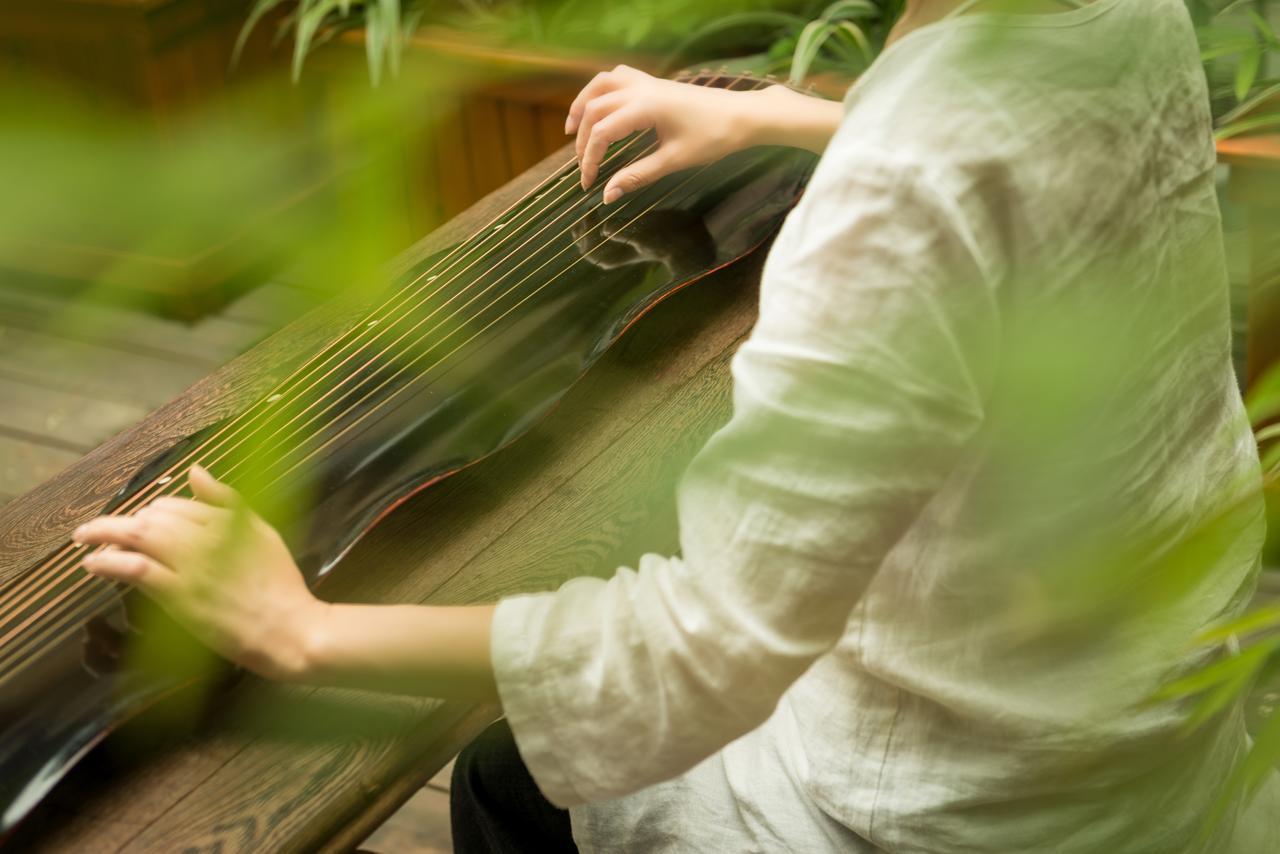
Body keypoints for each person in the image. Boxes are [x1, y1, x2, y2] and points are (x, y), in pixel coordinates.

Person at [74, 0, 1280, 850]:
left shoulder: (893, 200)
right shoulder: (1125, 11)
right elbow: (1011, 135)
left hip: (975, 799)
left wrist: (301, 631)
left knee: (505, 782)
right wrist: (785, 116)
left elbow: (711, 645)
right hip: (1144, 721)